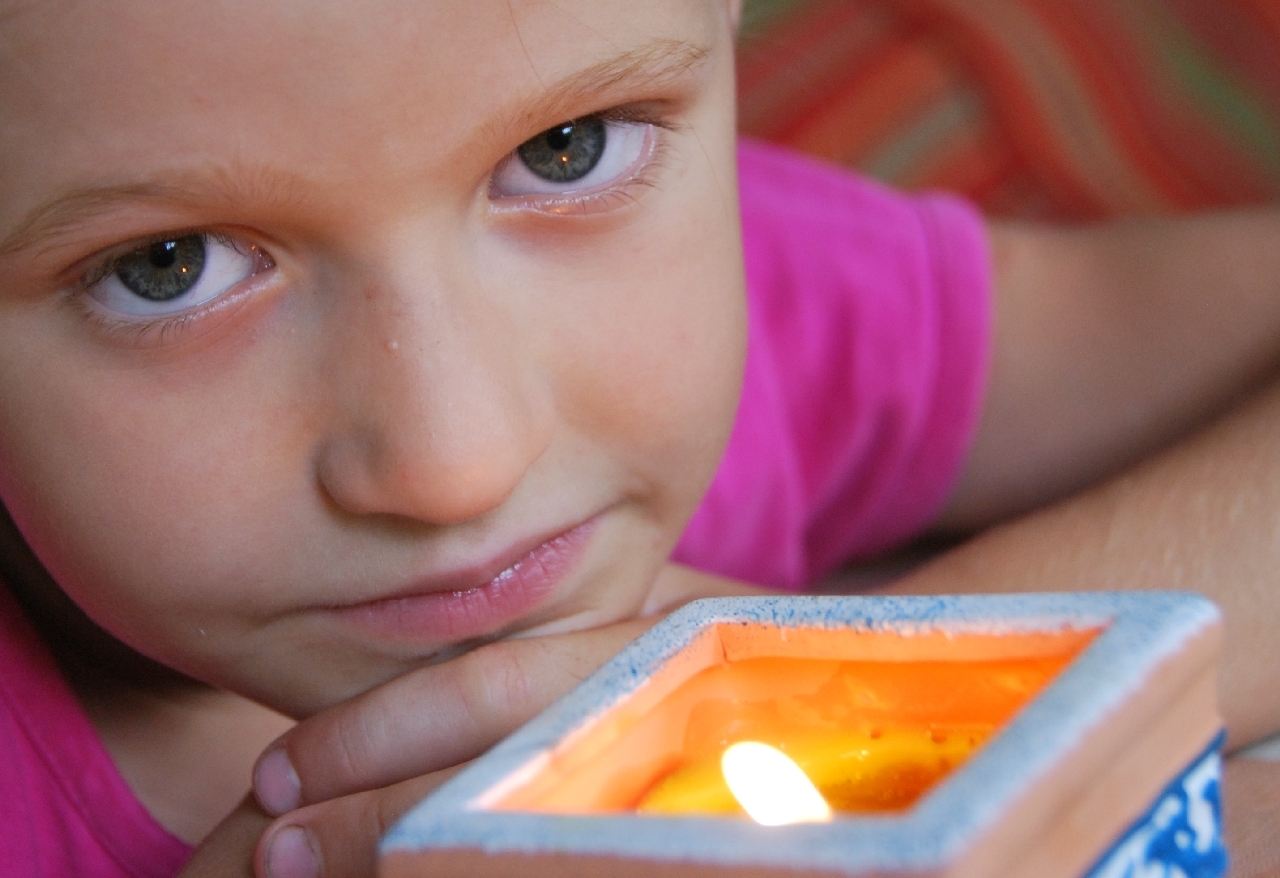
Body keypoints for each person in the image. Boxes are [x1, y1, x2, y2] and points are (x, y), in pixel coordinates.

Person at [2, 2, 1280, 876]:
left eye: (562, 150)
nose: (459, 462)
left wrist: (915, 706)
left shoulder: (771, 292)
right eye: (165, 269)